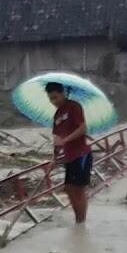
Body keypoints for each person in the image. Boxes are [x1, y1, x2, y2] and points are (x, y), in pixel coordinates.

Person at [46, 81, 90, 224]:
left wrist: (66, 140)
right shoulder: (57, 115)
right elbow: (57, 139)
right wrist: (54, 158)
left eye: (55, 97)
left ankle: (81, 222)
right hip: (69, 156)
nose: (54, 101)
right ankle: (79, 221)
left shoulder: (74, 107)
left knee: (77, 189)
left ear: (62, 93)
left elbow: (83, 128)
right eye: (51, 99)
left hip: (81, 154)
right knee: (69, 189)